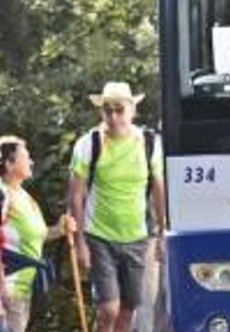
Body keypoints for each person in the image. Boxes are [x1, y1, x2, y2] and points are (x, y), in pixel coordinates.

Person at [67, 82, 166, 332]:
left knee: (127, 310)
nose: (113, 117)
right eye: (107, 110)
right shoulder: (89, 144)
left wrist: (163, 231)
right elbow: (76, 194)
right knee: (108, 308)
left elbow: (158, 189)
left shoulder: (149, 143)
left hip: (137, 236)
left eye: (119, 110)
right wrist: (80, 243)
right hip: (99, 235)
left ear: (132, 110)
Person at [0, 135, 76, 332]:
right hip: (8, 286)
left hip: (23, 288)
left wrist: (60, 229)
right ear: (9, 164)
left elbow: (37, 235)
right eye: (26, 156)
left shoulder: (23, 196)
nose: (32, 161)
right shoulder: (2, 194)